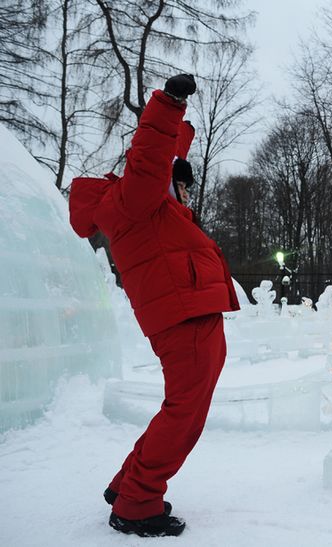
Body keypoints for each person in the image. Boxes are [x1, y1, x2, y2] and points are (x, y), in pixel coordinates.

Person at [69, 74, 240, 537]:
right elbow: (150, 160)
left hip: (187, 314)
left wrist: (179, 132)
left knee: (183, 408)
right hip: (182, 317)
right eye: (179, 186)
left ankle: (128, 483)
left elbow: (166, 159)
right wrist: (169, 103)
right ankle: (137, 502)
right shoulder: (133, 200)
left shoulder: (146, 207)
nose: (185, 193)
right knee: (184, 413)